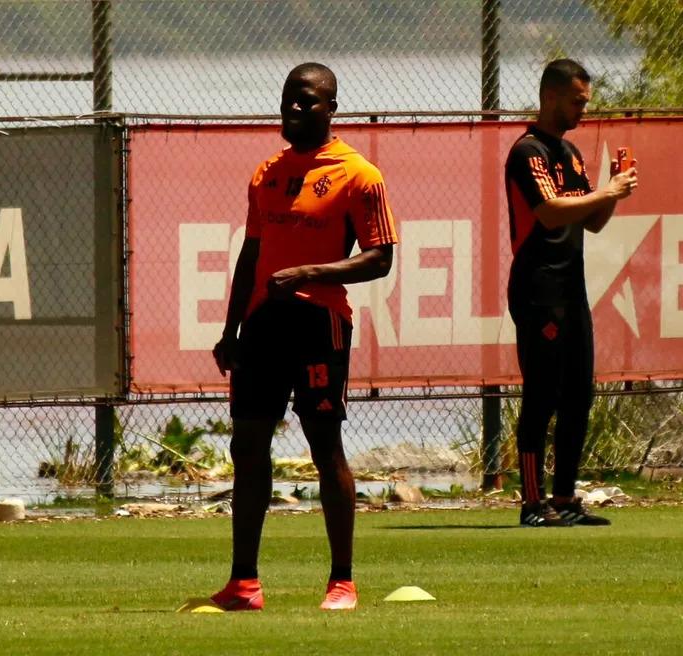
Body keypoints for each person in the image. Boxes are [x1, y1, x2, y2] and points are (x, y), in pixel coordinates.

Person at [208, 62, 398, 610]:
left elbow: (380, 258)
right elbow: (251, 254)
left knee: (324, 444)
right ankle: (244, 583)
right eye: (289, 99)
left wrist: (313, 272)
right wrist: (231, 327)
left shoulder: (359, 175)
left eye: (307, 101)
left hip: (320, 324)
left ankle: (343, 581)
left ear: (331, 108)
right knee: (246, 446)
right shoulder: (266, 172)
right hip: (264, 326)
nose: (294, 108)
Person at [504, 59, 638, 527]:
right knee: (541, 393)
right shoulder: (529, 152)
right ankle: (532, 504)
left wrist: (615, 193)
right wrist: (605, 192)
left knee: (579, 391)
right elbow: (549, 211)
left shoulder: (571, 153)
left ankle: (564, 499)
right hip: (538, 287)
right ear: (552, 96)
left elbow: (592, 221)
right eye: (578, 100)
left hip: (572, 286)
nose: (584, 109)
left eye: (586, 100)